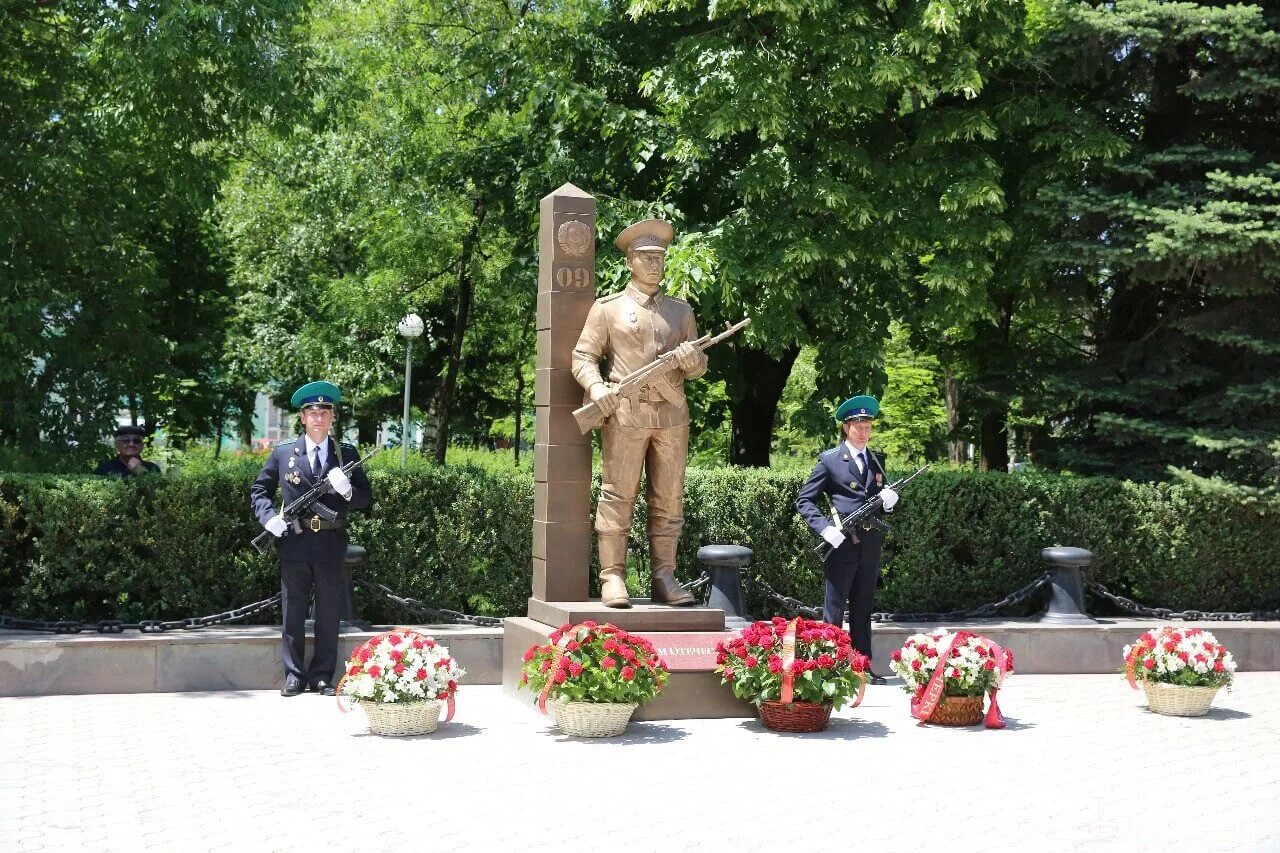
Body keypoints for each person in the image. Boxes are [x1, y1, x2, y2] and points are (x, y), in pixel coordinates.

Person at [571, 218, 707, 608]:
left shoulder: (681, 312)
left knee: (670, 498)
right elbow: (583, 356)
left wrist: (691, 358)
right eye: (645, 257)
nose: (654, 265)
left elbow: (698, 368)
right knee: (618, 495)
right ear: (630, 260)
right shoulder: (608, 308)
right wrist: (597, 389)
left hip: (671, 417)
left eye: (659, 258)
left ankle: (665, 575)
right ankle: (613, 576)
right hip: (625, 414)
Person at [250, 381, 372, 697]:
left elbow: (365, 500)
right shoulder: (283, 453)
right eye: (312, 412)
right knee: (292, 611)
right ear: (303, 417)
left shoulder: (346, 454)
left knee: (329, 613)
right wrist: (269, 518)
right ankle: (293, 676)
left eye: (324, 411)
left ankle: (321, 676)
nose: (318, 417)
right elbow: (259, 491)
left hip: (331, 543)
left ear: (332, 416)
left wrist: (347, 490)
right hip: (294, 541)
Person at [795, 395, 900, 684]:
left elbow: (880, 499)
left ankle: (862, 667)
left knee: (864, 606)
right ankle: (829, 667)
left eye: (867, 425)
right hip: (842, 543)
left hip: (869, 544)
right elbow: (805, 500)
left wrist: (889, 503)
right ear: (846, 427)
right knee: (835, 607)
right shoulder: (830, 460)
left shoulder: (876, 460)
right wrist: (825, 529)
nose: (864, 431)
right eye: (858, 425)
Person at [94, 425, 161, 477]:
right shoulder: (104, 469)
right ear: (117, 445)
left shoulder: (153, 469)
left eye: (136, 441)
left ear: (142, 446)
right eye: (126, 440)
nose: (131, 444)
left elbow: (159, 491)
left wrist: (140, 471)